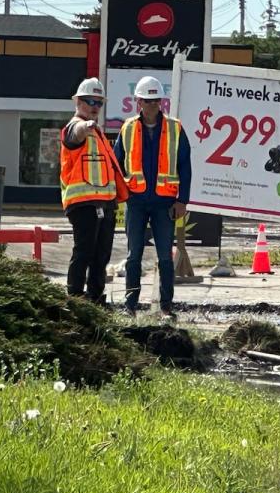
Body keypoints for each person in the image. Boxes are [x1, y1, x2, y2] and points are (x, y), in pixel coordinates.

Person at [114, 76, 191, 319]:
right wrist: (119, 195)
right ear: (138, 101)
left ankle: (166, 306)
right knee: (133, 255)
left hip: (164, 202)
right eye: (147, 101)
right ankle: (130, 306)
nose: (151, 106)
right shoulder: (127, 128)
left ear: (161, 102)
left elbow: (185, 166)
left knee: (165, 257)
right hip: (136, 201)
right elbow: (117, 164)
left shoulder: (175, 128)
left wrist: (182, 200)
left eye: (155, 101)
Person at [59, 77, 118, 305]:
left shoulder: (99, 133)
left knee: (101, 255)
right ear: (78, 102)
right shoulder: (74, 127)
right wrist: (87, 125)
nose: (95, 106)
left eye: (99, 102)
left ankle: (95, 298)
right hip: (83, 203)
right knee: (84, 251)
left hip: (104, 202)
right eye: (90, 101)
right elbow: (77, 132)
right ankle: (74, 297)